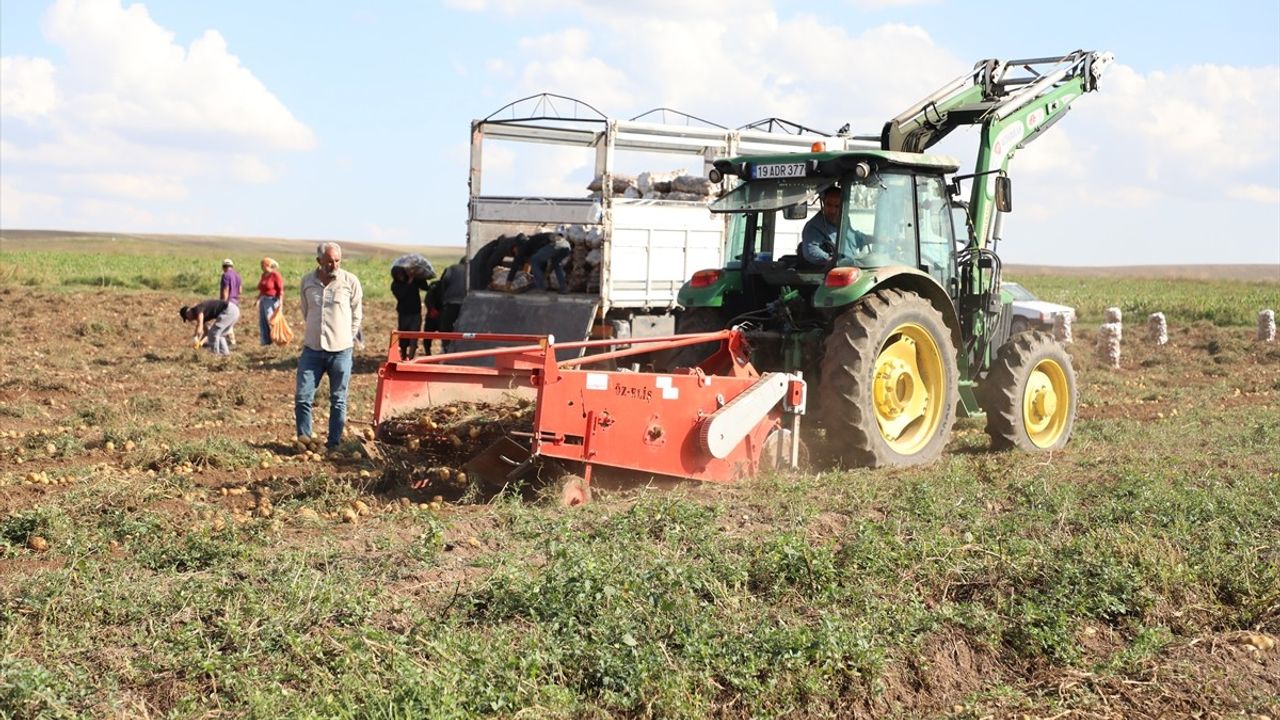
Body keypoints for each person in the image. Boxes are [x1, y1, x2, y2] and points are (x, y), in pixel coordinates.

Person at [296, 242, 364, 450]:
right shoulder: (307, 281)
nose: (334, 265)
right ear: (319, 261)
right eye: (329, 262)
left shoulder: (350, 281)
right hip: (312, 349)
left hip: (341, 351)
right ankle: (305, 441)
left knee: (338, 400)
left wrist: (347, 338)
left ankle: (333, 444)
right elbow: (306, 311)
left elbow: (356, 314)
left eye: (337, 261)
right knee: (302, 397)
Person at [799, 186, 872, 266]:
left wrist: (878, 240)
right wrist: (834, 260)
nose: (832, 211)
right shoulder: (814, 227)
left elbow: (854, 238)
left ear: (844, 206)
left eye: (837, 206)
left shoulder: (844, 220)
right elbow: (811, 251)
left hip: (853, 266)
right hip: (833, 273)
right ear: (823, 203)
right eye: (829, 205)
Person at [391, 265, 431, 360]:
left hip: (415, 313)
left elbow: (425, 287)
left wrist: (418, 276)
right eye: (398, 275)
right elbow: (401, 295)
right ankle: (404, 355)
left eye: (401, 274)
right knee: (403, 337)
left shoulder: (414, 280)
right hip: (403, 314)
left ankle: (411, 357)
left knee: (414, 336)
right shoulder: (395, 285)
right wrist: (409, 283)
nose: (400, 277)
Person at [254, 257, 284, 346]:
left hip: (272, 300)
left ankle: (276, 339)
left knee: (271, 320)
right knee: (263, 321)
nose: (261, 267)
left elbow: (280, 289)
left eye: (263, 265)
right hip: (264, 300)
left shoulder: (275, 275)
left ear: (267, 265)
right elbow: (262, 290)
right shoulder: (263, 275)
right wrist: (258, 299)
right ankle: (266, 341)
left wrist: (281, 302)